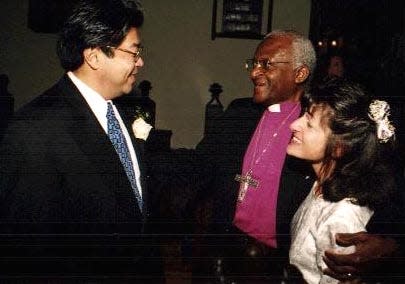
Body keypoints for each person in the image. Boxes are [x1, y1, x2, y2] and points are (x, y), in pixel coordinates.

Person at [191, 30, 403, 283]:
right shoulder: (238, 113)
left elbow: (377, 189)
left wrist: (393, 245)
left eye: (266, 64)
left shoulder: (325, 123)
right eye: (254, 63)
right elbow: (197, 164)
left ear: (300, 74)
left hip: (280, 266)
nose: (253, 72)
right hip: (223, 258)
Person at [0, 0, 163, 282]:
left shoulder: (122, 111)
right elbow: (25, 252)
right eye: (134, 52)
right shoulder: (34, 130)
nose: (140, 62)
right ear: (95, 56)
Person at [287, 78, 401, 283]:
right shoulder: (319, 185)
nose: (294, 124)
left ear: (339, 147)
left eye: (309, 123)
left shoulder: (342, 217)